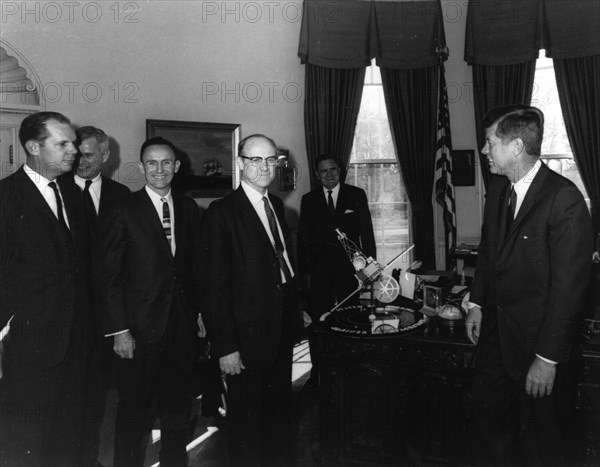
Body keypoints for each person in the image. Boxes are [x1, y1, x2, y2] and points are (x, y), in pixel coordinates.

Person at [465, 105, 592, 465]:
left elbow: (570, 291)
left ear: (516, 147)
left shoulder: (563, 199)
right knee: (490, 433)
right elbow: (490, 254)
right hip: (496, 342)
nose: (485, 150)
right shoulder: (498, 190)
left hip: (540, 350)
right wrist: (476, 303)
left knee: (543, 444)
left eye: (491, 142)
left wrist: (547, 359)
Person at [98, 136, 205, 467]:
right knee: (134, 414)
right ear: (142, 167)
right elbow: (109, 276)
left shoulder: (189, 209)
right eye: (152, 163)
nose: (159, 170)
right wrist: (119, 330)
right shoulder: (122, 209)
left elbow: (193, 269)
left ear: (176, 167)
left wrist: (199, 313)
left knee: (177, 411)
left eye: (166, 163)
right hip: (138, 331)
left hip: (181, 329)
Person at [198, 134, 302, 466]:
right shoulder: (222, 213)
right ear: (240, 163)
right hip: (245, 340)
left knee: (277, 417)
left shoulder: (276, 206)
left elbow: (281, 268)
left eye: (271, 160)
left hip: (279, 332)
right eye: (255, 160)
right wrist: (226, 346)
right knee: (245, 425)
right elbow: (215, 288)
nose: (264, 167)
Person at [0, 111, 93, 466]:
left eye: (73, 142)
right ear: (33, 147)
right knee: (27, 440)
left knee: (68, 437)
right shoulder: (6, 197)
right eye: (63, 143)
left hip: (75, 342)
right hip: (28, 346)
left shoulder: (72, 193)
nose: (75, 150)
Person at [59, 125, 130, 467]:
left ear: (106, 156)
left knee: (97, 395)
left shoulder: (122, 196)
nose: (79, 161)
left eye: (88, 154)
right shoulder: (57, 191)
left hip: (106, 318)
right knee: (66, 395)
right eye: (76, 153)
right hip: (66, 316)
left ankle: (87, 457)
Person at [297, 154, 376, 387]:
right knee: (318, 322)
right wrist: (304, 275)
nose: (329, 175)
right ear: (317, 174)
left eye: (332, 170)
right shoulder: (309, 199)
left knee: (351, 318)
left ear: (340, 171)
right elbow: (303, 240)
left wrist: (370, 269)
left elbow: (367, 234)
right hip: (319, 273)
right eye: (323, 171)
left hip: (350, 271)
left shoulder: (356, 194)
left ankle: (353, 368)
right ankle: (319, 372)